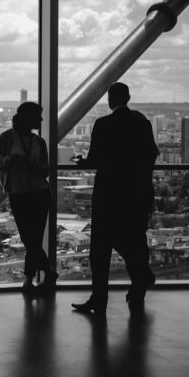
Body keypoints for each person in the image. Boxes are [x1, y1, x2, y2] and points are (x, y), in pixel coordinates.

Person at [71, 82, 159, 315]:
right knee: (135, 240)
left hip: (108, 194)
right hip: (136, 193)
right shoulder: (142, 123)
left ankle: (99, 299)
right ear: (128, 97)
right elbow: (152, 155)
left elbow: (95, 160)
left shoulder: (103, 124)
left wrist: (82, 162)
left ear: (110, 100)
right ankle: (139, 283)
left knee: (100, 249)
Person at [0, 101, 54, 295]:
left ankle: (29, 279)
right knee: (29, 238)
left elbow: (45, 170)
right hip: (23, 192)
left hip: (35, 192)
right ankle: (44, 272)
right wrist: (8, 160)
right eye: (37, 116)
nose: (40, 119)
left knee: (33, 238)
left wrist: (29, 163)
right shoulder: (7, 138)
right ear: (27, 118)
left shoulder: (39, 142)